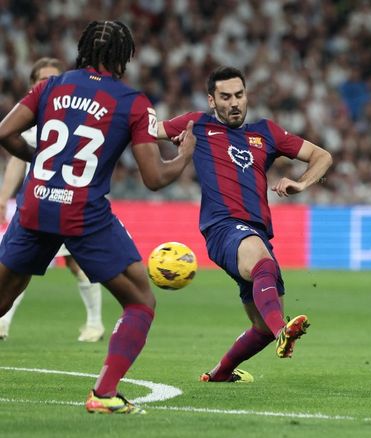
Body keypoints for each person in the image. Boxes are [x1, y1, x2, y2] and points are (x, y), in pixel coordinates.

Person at [0, 20, 195, 414]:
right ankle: (104, 393)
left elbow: (4, 132)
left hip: (36, 202)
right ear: (125, 57)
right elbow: (155, 178)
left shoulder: (52, 86)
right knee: (140, 301)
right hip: (83, 212)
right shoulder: (132, 102)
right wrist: (186, 153)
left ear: (83, 49)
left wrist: (38, 161)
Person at [158, 66, 332, 383]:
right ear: (212, 100)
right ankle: (284, 331)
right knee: (263, 265)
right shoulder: (197, 125)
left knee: (262, 325)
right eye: (225, 97)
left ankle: (221, 373)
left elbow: (321, 156)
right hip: (222, 227)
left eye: (239, 95)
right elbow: (148, 130)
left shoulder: (266, 132)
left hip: (256, 232)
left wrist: (302, 183)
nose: (234, 102)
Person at [0, 57, 104, 343]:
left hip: (71, 203)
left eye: (53, 79)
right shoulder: (32, 122)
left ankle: (95, 323)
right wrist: (3, 197)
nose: (48, 85)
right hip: (37, 202)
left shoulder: (73, 120)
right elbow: (16, 163)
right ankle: (4, 322)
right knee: (18, 265)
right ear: (32, 86)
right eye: (41, 80)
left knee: (74, 264)